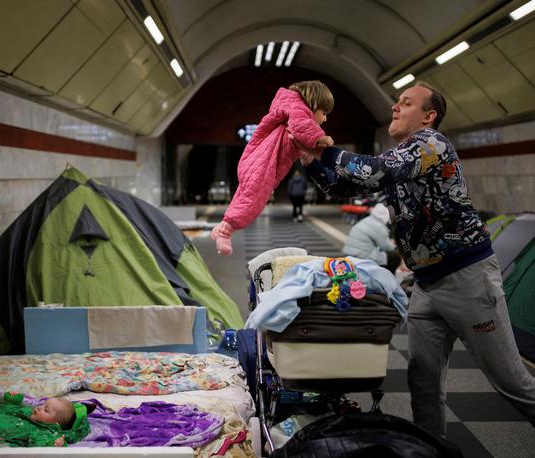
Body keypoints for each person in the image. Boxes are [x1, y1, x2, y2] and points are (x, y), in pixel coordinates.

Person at [293, 81, 535, 438]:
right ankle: (430, 449)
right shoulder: (401, 158)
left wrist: (324, 147)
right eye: (396, 102)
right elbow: (341, 186)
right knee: (423, 386)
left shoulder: (431, 144)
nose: (394, 107)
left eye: (406, 103)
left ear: (428, 116)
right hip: (426, 285)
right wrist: (310, 163)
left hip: (467, 278)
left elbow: (373, 170)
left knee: (511, 382)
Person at [211, 80, 334, 255]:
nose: (325, 118)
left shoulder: (291, 112)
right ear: (313, 104)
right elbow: (303, 128)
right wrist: (323, 139)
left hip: (257, 162)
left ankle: (222, 227)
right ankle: (225, 233)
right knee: (253, 202)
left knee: (243, 198)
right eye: (324, 113)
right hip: (263, 166)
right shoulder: (299, 113)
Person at [343, 202, 401, 273]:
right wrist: (395, 246)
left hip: (349, 253)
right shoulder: (379, 226)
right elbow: (386, 247)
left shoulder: (367, 220)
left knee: (383, 254)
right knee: (395, 257)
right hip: (361, 256)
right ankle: (386, 277)